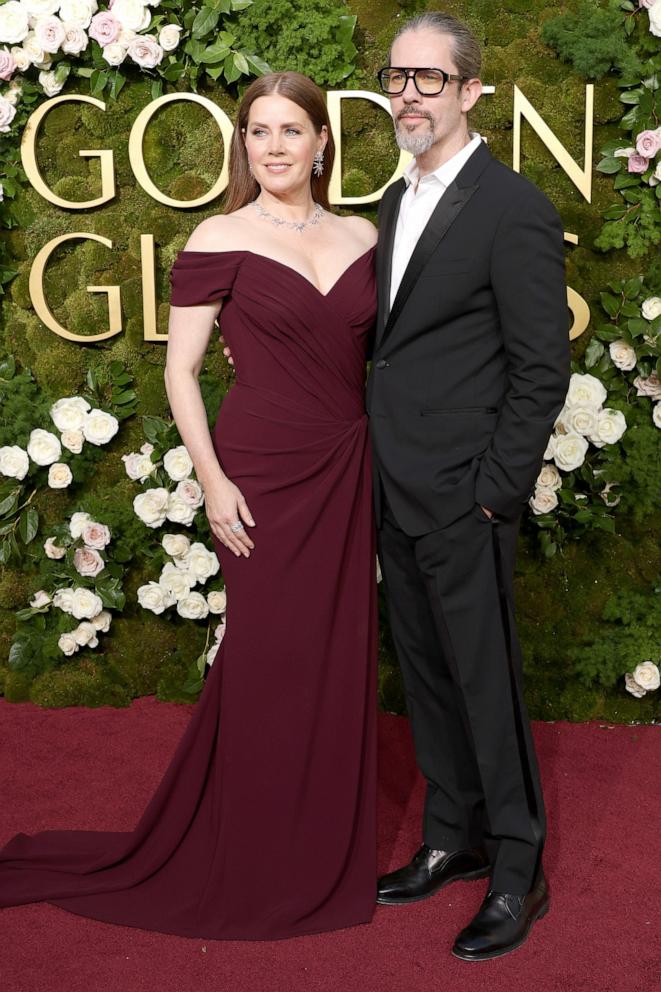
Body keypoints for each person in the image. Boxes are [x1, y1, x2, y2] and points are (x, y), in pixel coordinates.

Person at [0, 72, 379, 941]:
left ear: (323, 141)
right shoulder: (219, 235)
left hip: (345, 463)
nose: (274, 146)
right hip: (260, 467)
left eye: (290, 129)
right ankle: (251, 849)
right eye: (257, 132)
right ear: (243, 146)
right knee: (269, 656)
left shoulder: (363, 235)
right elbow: (180, 370)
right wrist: (211, 479)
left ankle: (322, 846)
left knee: (338, 652)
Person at [369, 13, 570, 961]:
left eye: (429, 78)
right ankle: (450, 833)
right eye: (397, 76)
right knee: (426, 678)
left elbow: (541, 368)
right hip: (391, 486)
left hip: (465, 494)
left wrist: (496, 490)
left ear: (470, 91)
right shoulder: (389, 201)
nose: (410, 92)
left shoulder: (512, 206)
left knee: (486, 684)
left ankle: (517, 868)